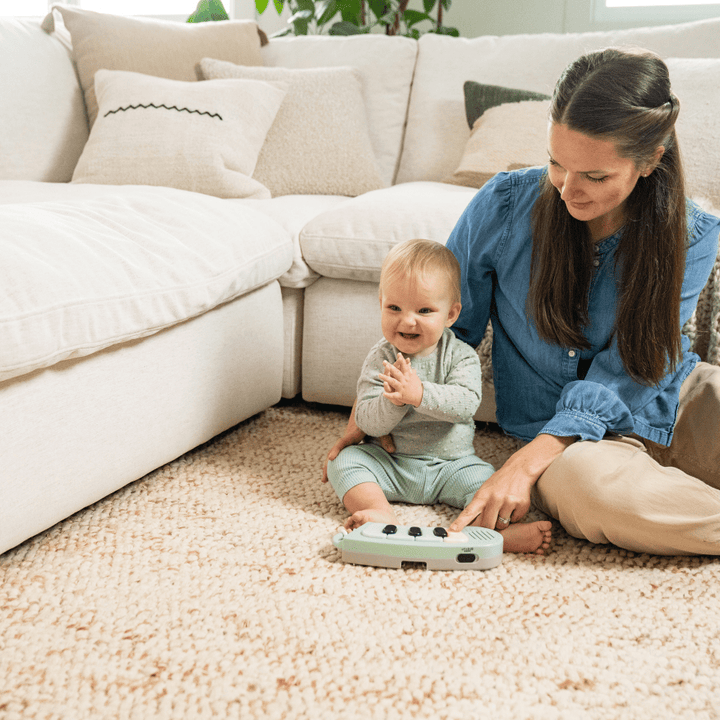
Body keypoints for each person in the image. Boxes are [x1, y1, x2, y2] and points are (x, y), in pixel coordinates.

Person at [325, 48, 720, 556]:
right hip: (566, 442)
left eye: (595, 177)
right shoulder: (505, 205)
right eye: (557, 163)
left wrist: (521, 466)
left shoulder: (692, 232)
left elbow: (631, 367)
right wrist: (383, 406)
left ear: (650, 160)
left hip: (671, 395)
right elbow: (447, 328)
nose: (567, 189)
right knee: (601, 498)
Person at [325, 238, 553, 554]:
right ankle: (379, 512)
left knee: (488, 481)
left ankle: (493, 533)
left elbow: (465, 403)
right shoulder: (381, 356)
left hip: (451, 465)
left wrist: (419, 394)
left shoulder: (460, 356)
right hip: (392, 463)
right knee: (345, 461)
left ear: (450, 314)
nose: (407, 320)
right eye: (394, 307)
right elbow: (366, 419)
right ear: (381, 304)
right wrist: (391, 403)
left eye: (424, 310)